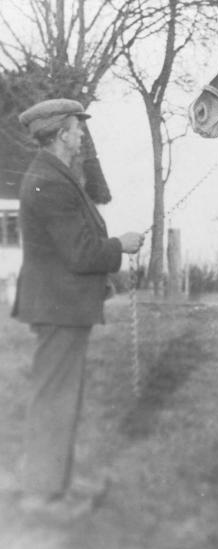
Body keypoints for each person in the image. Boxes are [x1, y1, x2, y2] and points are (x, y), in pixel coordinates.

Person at [11, 98, 144, 519]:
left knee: (59, 396)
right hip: (60, 306)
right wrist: (121, 245)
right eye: (77, 128)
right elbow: (81, 254)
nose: (82, 135)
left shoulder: (56, 176)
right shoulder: (49, 182)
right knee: (55, 398)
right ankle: (41, 493)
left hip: (61, 305)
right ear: (62, 134)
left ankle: (55, 480)